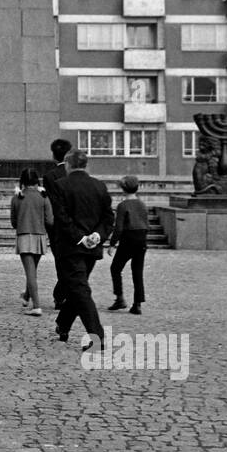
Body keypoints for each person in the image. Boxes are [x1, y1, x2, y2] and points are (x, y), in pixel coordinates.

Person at [49, 150, 114, 348]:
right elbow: (108, 217)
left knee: (80, 290)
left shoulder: (60, 186)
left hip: (70, 247)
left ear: (67, 164)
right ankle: (63, 323)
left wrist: (80, 237)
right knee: (78, 288)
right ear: (86, 165)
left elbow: (61, 218)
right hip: (92, 248)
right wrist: (97, 236)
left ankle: (97, 337)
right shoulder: (99, 186)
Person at [10, 168, 54, 317]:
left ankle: (36, 306)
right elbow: (50, 220)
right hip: (40, 236)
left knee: (30, 273)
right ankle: (26, 296)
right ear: (37, 181)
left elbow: (14, 222)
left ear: (22, 181)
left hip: (24, 236)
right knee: (32, 270)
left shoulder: (17, 198)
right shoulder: (44, 197)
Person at [107, 175, 149, 314]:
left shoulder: (122, 205)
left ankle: (120, 298)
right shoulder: (142, 204)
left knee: (115, 268)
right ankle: (137, 304)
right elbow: (146, 224)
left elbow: (118, 227)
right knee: (137, 271)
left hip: (128, 239)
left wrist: (112, 244)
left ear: (123, 189)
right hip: (141, 238)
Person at [41, 138, 72, 308]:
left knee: (60, 261)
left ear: (53, 155)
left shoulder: (49, 176)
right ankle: (63, 293)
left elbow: (51, 202)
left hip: (57, 226)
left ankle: (60, 295)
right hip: (75, 225)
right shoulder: (73, 174)